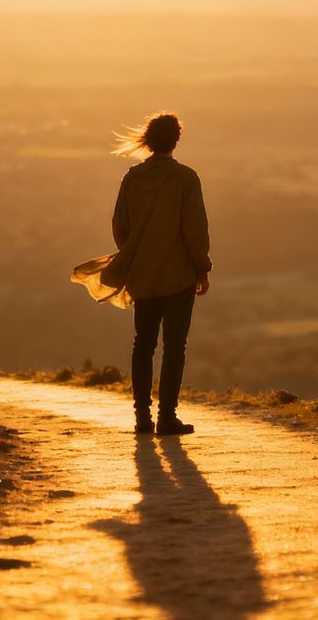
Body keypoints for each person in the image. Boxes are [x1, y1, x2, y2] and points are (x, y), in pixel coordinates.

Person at [70, 112, 211, 435]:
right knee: (175, 346)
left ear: (148, 140)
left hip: (143, 276)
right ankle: (167, 417)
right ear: (176, 141)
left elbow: (120, 227)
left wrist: (136, 253)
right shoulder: (186, 179)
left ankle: (142, 418)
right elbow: (195, 232)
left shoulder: (133, 178)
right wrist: (202, 268)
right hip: (179, 277)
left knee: (143, 344)